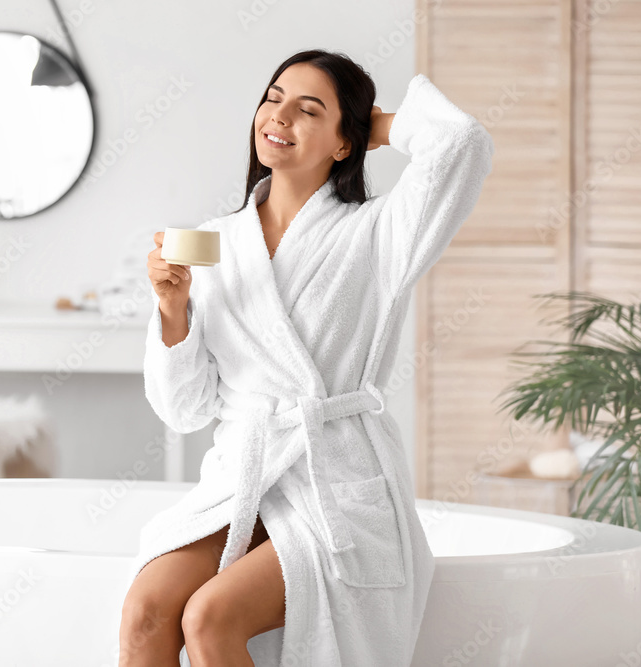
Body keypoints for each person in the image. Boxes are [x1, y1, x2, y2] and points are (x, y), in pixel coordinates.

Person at [121, 48, 495, 666]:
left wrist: (374, 123)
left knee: (209, 618)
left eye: (308, 110)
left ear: (345, 141)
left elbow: (462, 145)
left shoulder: (379, 233)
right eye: (273, 98)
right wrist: (173, 310)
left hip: (334, 482)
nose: (280, 116)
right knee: (144, 611)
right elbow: (185, 411)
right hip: (244, 477)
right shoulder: (215, 244)